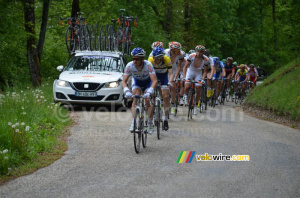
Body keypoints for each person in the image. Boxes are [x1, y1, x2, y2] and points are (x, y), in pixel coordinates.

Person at [122, 48, 158, 134]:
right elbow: (123, 81)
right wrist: (126, 90)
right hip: (137, 82)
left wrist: (150, 91)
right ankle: (133, 123)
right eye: (133, 58)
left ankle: (149, 123)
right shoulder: (129, 65)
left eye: (137, 59)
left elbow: (154, 81)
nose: (134, 61)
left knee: (147, 99)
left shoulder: (148, 65)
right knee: (136, 96)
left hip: (147, 82)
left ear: (142, 59)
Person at [148, 47, 173, 130]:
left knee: (165, 97)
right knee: (150, 96)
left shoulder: (166, 59)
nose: (155, 60)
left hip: (163, 76)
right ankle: (150, 116)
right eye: (154, 58)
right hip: (154, 75)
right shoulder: (150, 60)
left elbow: (171, 73)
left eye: (157, 59)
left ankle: (165, 119)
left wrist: (169, 82)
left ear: (162, 57)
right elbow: (148, 74)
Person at [182, 45, 209, 115]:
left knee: (198, 88)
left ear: (203, 52)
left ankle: (196, 105)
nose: (199, 53)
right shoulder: (191, 56)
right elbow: (185, 67)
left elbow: (205, 71)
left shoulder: (206, 59)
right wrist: (184, 77)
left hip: (198, 72)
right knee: (187, 86)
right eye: (198, 51)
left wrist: (203, 79)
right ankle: (185, 95)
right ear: (195, 51)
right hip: (190, 71)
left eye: (201, 52)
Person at [164, 42, 186, 113]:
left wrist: (176, 76)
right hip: (164, 68)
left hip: (173, 68)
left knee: (173, 86)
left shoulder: (181, 54)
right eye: (177, 50)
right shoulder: (165, 53)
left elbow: (179, 66)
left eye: (179, 50)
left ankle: (173, 104)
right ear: (172, 49)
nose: (178, 51)